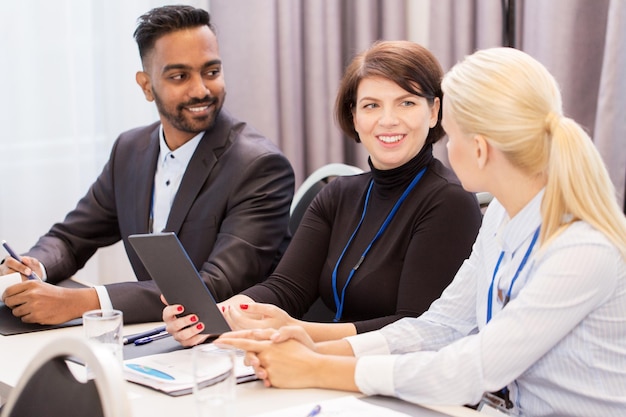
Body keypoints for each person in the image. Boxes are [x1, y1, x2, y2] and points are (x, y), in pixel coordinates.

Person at [217, 47, 626, 417]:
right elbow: (439, 326)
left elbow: (474, 368)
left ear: (479, 148)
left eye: (452, 132)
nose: (446, 146)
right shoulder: (504, 213)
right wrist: (315, 350)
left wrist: (320, 367)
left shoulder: (582, 249)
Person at [164, 40, 482, 346]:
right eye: (371, 105)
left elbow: (417, 329)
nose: (388, 120)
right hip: (325, 368)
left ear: (433, 111)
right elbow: (286, 287)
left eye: (407, 103)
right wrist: (219, 315)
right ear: (354, 116)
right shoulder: (337, 194)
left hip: (394, 380)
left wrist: (300, 331)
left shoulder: (449, 202)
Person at [0, 5, 294, 325]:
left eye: (211, 72)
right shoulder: (130, 151)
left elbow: (214, 286)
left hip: (233, 343)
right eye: (180, 76)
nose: (201, 90)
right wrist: (32, 268)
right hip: (155, 335)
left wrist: (83, 302)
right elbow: (71, 239)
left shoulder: (260, 167)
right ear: (145, 86)